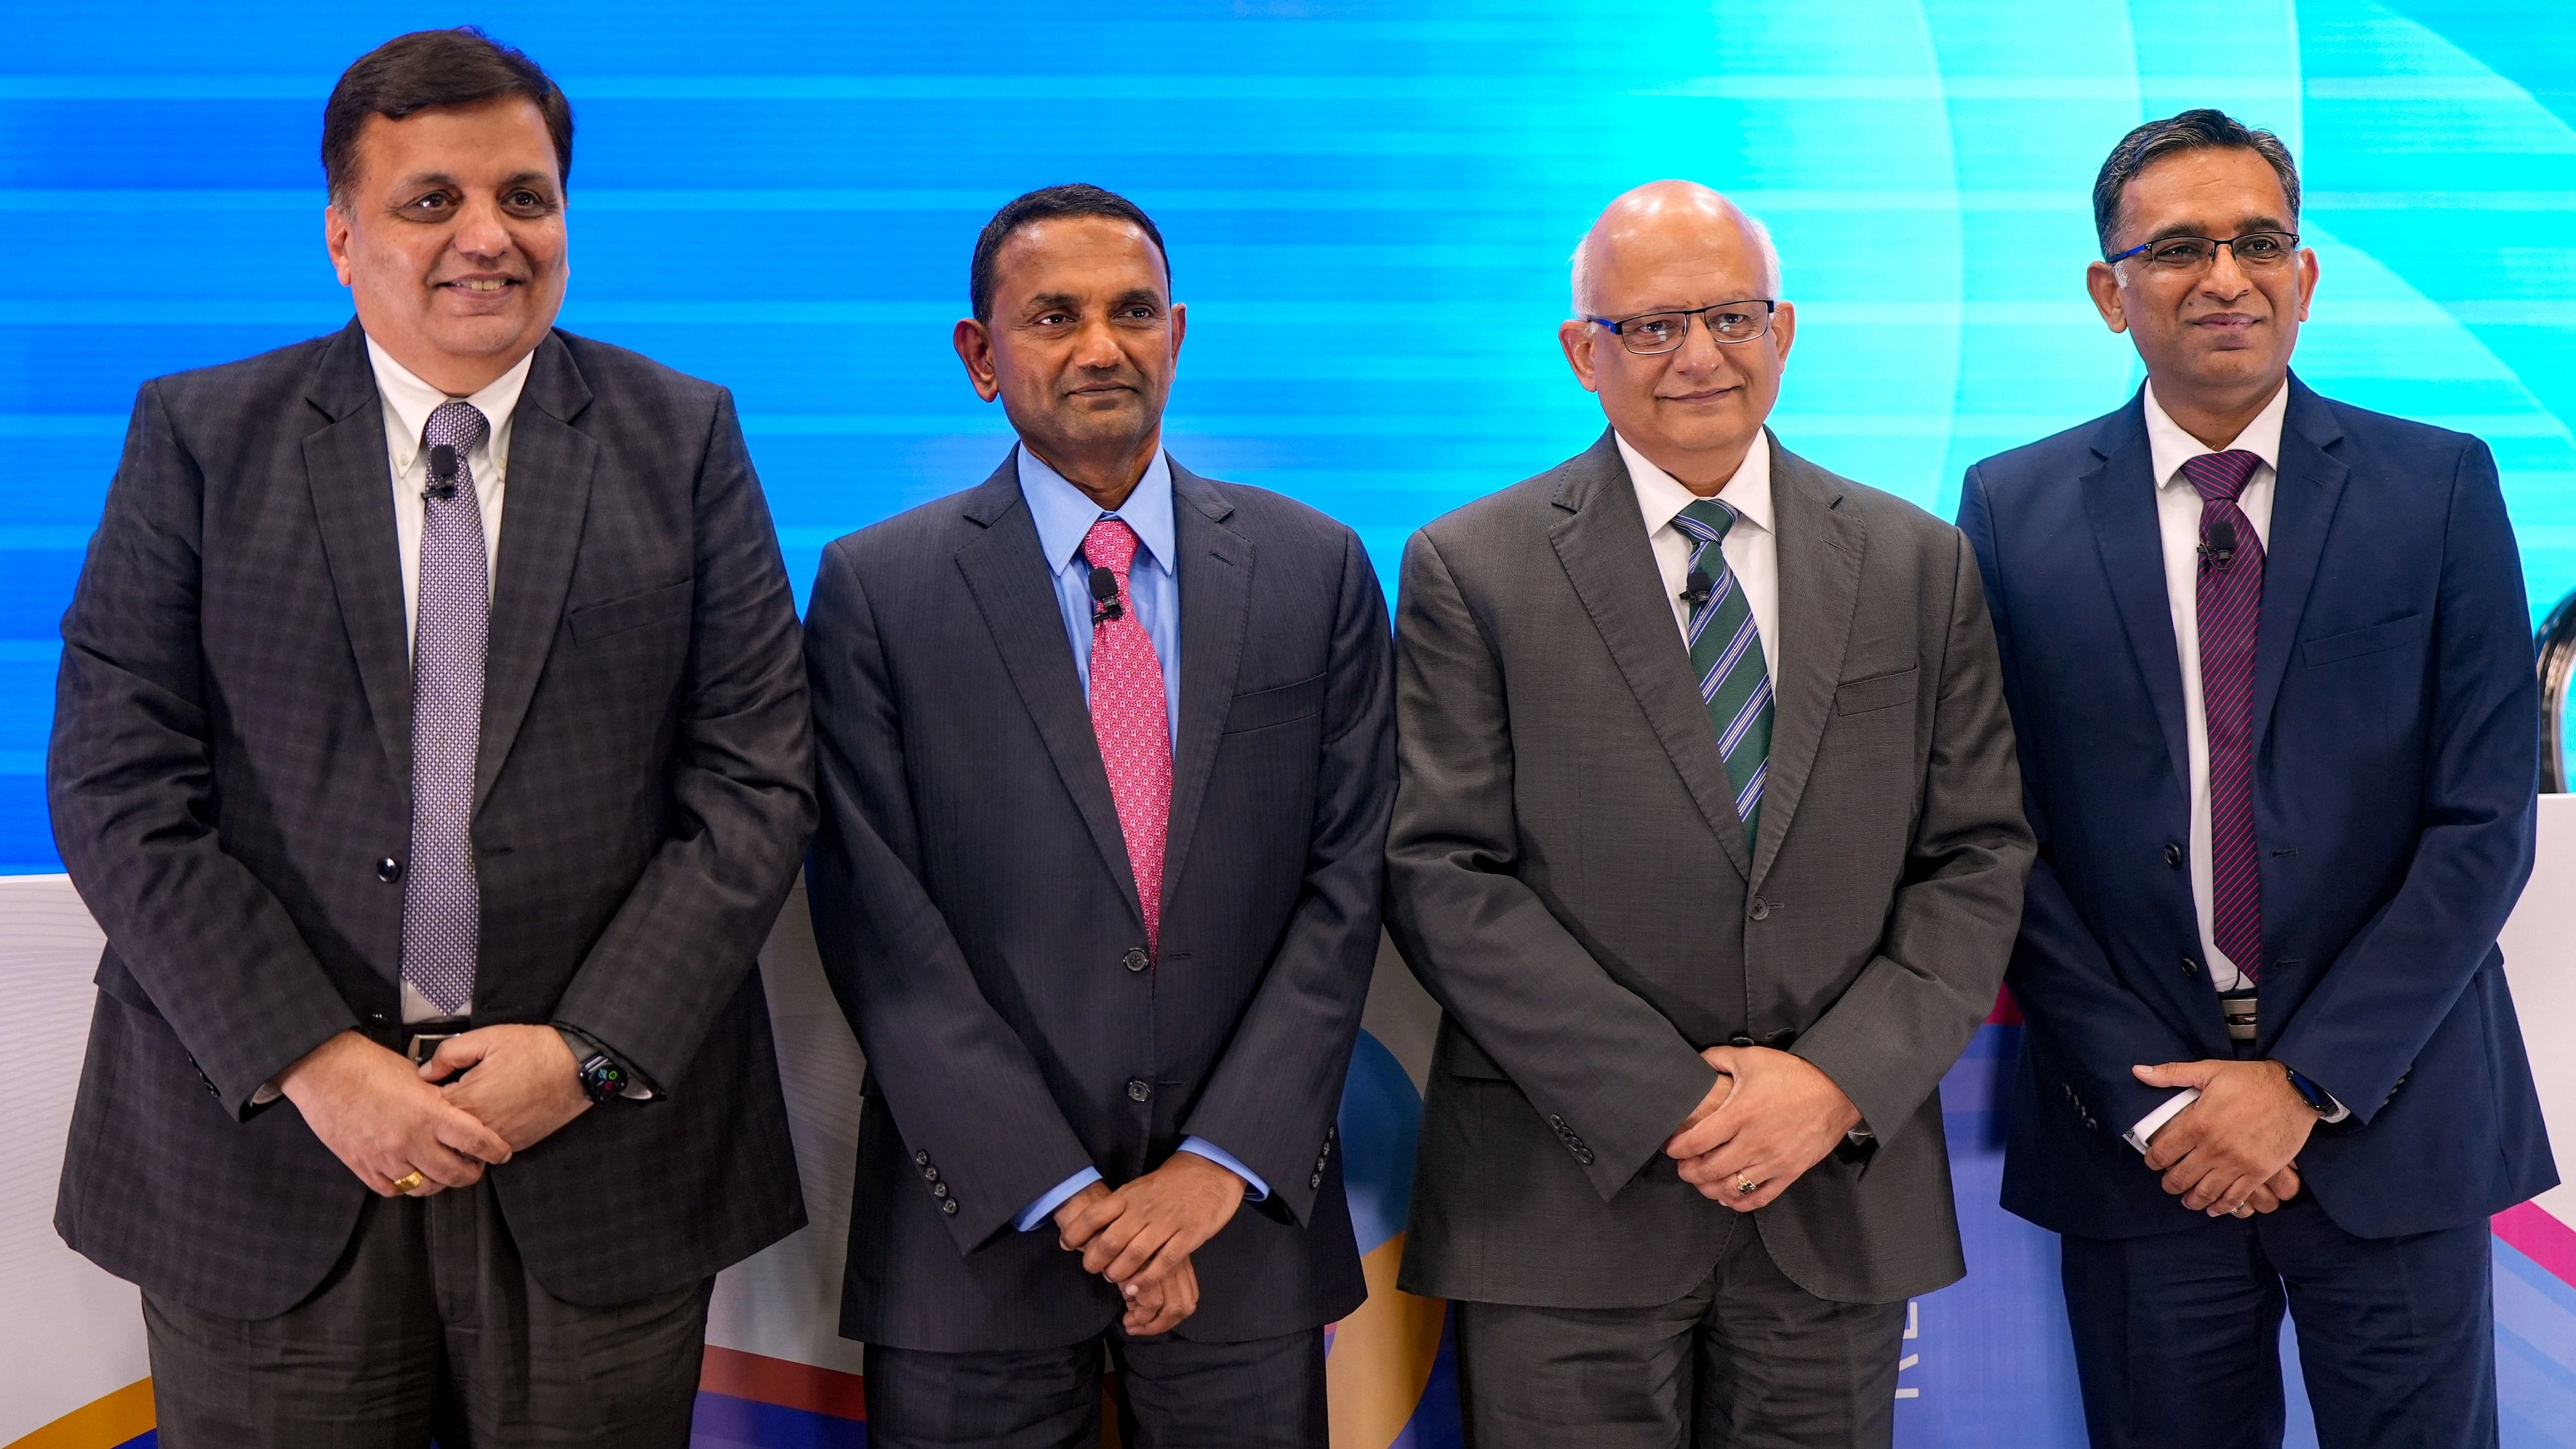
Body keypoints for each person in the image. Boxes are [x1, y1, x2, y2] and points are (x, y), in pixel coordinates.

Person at [46, 28, 815, 1446]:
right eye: (430, 202)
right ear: (343, 234)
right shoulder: (202, 438)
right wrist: (317, 1062)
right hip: (269, 1157)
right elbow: (117, 783)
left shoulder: (683, 435)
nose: (488, 238)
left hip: (598, 1159)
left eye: (525, 197)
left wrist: (584, 1051)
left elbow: (755, 782)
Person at [1385, 180, 2033, 1448]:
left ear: (1783, 328)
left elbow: (1978, 854)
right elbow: (1442, 870)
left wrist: (1834, 1084)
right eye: (1650, 326)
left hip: (1832, 1197)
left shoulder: (1918, 560)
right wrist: (1671, 1097)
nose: (1699, 356)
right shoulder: (1471, 566)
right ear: (1583, 353)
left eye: (1730, 316)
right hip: (1566, 1200)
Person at [1959, 109, 2555, 1449]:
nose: (2224, 275)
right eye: (2177, 248)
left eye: (2258, 241)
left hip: (2390, 1120)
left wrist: (2302, 1084)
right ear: (2109, 293)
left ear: (2306, 276)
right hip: (2137, 1138)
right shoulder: (2012, 507)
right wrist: (2168, 1104)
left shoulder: (2439, 484)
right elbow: (1997, 834)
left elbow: (2482, 820)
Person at [803, 183, 1395, 1447]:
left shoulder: (1318, 569)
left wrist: (1212, 1169)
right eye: (1053, 315)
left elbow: (1347, 888)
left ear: (1177, 332)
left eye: (1132, 313)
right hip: (975, 1241)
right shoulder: (878, 589)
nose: (1100, 347)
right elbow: (877, 917)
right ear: (980, 354)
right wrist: (1070, 1195)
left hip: (1245, 1234)